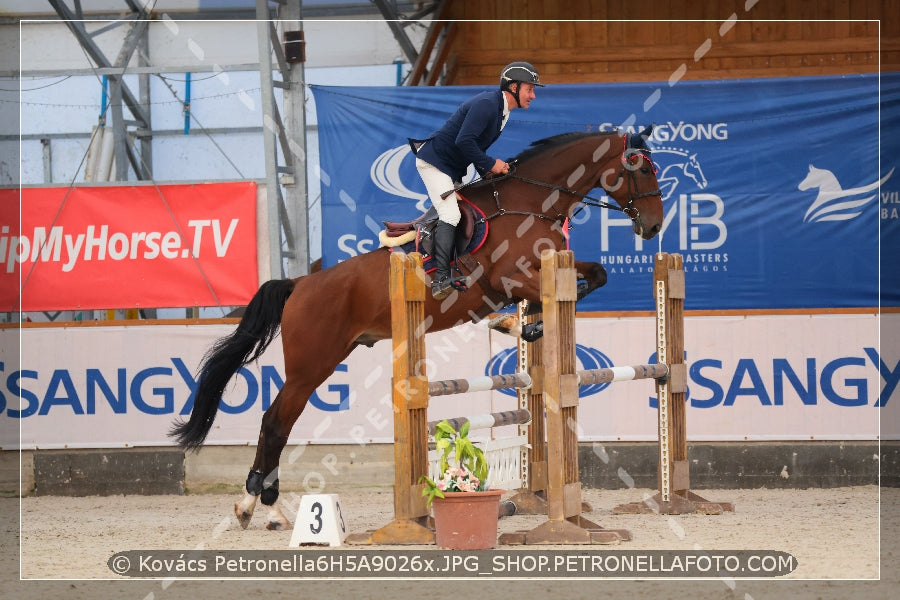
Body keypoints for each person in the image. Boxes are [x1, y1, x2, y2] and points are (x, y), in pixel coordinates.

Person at [409, 61, 543, 299]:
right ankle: (440, 279)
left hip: (451, 168)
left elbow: (474, 147)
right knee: (451, 215)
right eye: (529, 89)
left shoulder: (502, 111)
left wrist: (489, 174)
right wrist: (491, 164)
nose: (533, 95)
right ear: (513, 87)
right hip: (435, 164)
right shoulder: (486, 104)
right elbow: (464, 142)